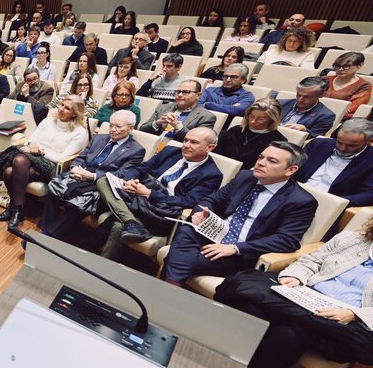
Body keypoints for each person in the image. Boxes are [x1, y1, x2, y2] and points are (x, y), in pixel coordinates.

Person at [213, 215, 373, 368]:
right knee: (255, 311)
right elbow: (311, 261)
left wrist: (353, 313)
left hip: (341, 321)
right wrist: (296, 276)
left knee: (286, 334)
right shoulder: (350, 239)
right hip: (305, 296)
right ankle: (230, 360)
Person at [160, 141, 317, 286]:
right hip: (214, 233)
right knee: (187, 229)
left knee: (176, 257)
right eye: (261, 157)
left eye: (272, 161)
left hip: (241, 253)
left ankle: (167, 288)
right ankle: (169, 290)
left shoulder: (300, 201)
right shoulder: (245, 177)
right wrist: (201, 213)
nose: (261, 163)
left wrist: (235, 248)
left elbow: (286, 240)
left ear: (291, 170)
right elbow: (210, 200)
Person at [94, 127, 222, 259]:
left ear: (210, 147)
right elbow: (142, 168)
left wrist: (149, 194)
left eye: (193, 142)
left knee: (118, 226)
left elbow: (187, 201)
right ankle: (131, 221)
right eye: (185, 140)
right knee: (103, 180)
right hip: (137, 196)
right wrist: (130, 180)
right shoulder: (170, 151)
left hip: (161, 211)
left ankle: (100, 264)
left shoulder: (212, 175)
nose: (186, 145)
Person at [37, 111, 145, 239]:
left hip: (102, 185)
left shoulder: (136, 150)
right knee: (55, 187)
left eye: (118, 126)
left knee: (79, 205)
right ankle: (45, 228)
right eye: (111, 125)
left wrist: (92, 176)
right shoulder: (99, 138)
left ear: (130, 128)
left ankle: (46, 237)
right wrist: (75, 167)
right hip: (80, 175)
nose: (113, 130)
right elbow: (81, 157)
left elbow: (121, 174)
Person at [0, 96, 89, 228]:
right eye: (61, 105)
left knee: (16, 164)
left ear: (75, 113)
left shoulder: (80, 132)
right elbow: (31, 139)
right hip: (32, 158)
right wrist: (33, 145)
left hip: (52, 166)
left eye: (66, 108)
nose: (61, 109)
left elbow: (63, 158)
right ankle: (17, 209)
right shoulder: (48, 121)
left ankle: (14, 208)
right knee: (10, 170)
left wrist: (40, 151)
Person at [296, 118, 373, 208]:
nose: (342, 148)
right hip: (293, 193)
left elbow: (369, 194)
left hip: (326, 205)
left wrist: (334, 202)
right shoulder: (319, 144)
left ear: (369, 142)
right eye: (339, 142)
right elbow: (292, 167)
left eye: (352, 145)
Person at [215, 98, 287, 169]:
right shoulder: (235, 130)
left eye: (261, 119)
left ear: (272, 120)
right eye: (251, 116)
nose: (253, 121)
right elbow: (215, 154)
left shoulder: (278, 141)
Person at [139, 80, 216, 141]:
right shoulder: (164, 107)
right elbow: (142, 129)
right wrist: (158, 123)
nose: (180, 95)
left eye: (186, 92)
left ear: (198, 95)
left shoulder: (206, 117)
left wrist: (177, 125)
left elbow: (198, 142)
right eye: (178, 91)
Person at [325, 52, 371, 119]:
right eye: (337, 66)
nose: (340, 70)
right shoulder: (325, 79)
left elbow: (351, 108)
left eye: (346, 66)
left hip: (340, 119)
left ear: (360, 65)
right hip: (314, 114)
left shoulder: (363, 85)